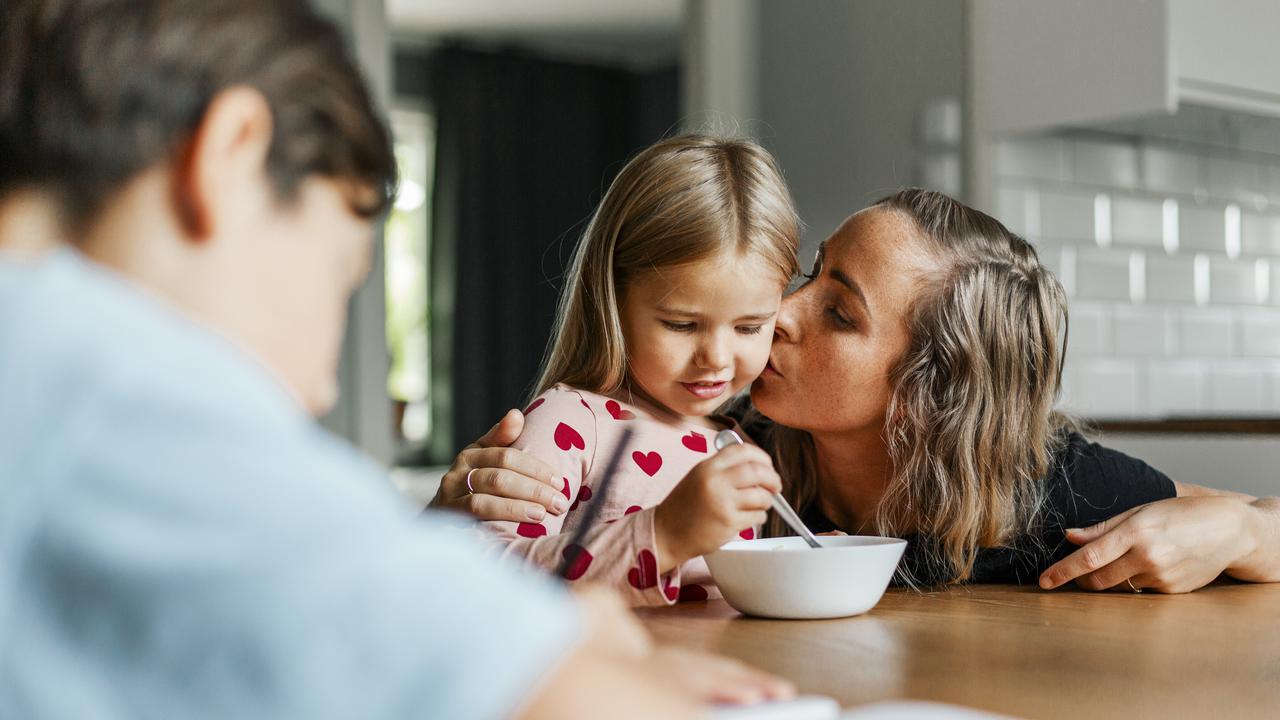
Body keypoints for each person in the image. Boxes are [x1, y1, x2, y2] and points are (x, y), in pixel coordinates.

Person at [0, 1, 793, 717]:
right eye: (339, 275)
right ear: (230, 154)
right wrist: (552, 646)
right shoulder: (105, 389)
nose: (322, 387)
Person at [435, 188, 1280, 594]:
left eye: (838, 313)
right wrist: (453, 516)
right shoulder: (726, 437)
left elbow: (1256, 525)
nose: (780, 312)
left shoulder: (1051, 488)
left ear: (925, 393)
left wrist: (1242, 529)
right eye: (812, 273)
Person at [479, 135, 795, 606]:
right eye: (681, 324)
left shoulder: (737, 442)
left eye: (749, 327)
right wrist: (662, 534)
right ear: (613, 300)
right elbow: (488, 578)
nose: (716, 358)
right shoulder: (571, 423)